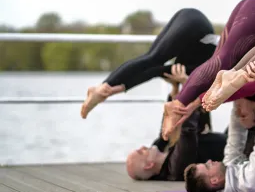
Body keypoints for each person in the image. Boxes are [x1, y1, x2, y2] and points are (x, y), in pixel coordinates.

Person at [161, 0, 255, 140]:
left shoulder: (252, 90)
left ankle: (177, 105)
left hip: (252, 9)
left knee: (218, 62)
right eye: (242, 114)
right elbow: (232, 88)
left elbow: (223, 88)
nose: (237, 111)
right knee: (222, 60)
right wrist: (190, 105)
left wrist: (190, 106)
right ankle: (177, 104)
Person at [80, 8, 219, 119]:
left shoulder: (184, 73)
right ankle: (101, 89)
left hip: (189, 22)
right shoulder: (203, 76)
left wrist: (117, 90)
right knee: (153, 58)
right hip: (197, 25)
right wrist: (185, 82)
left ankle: (102, 89)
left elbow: (155, 71)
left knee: (151, 59)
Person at [125, 64, 227, 181]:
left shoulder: (161, 152)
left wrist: (175, 88)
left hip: (225, 138)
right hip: (241, 148)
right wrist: (188, 84)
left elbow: (167, 127)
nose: (143, 147)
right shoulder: (177, 166)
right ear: (149, 165)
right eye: (141, 152)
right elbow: (187, 128)